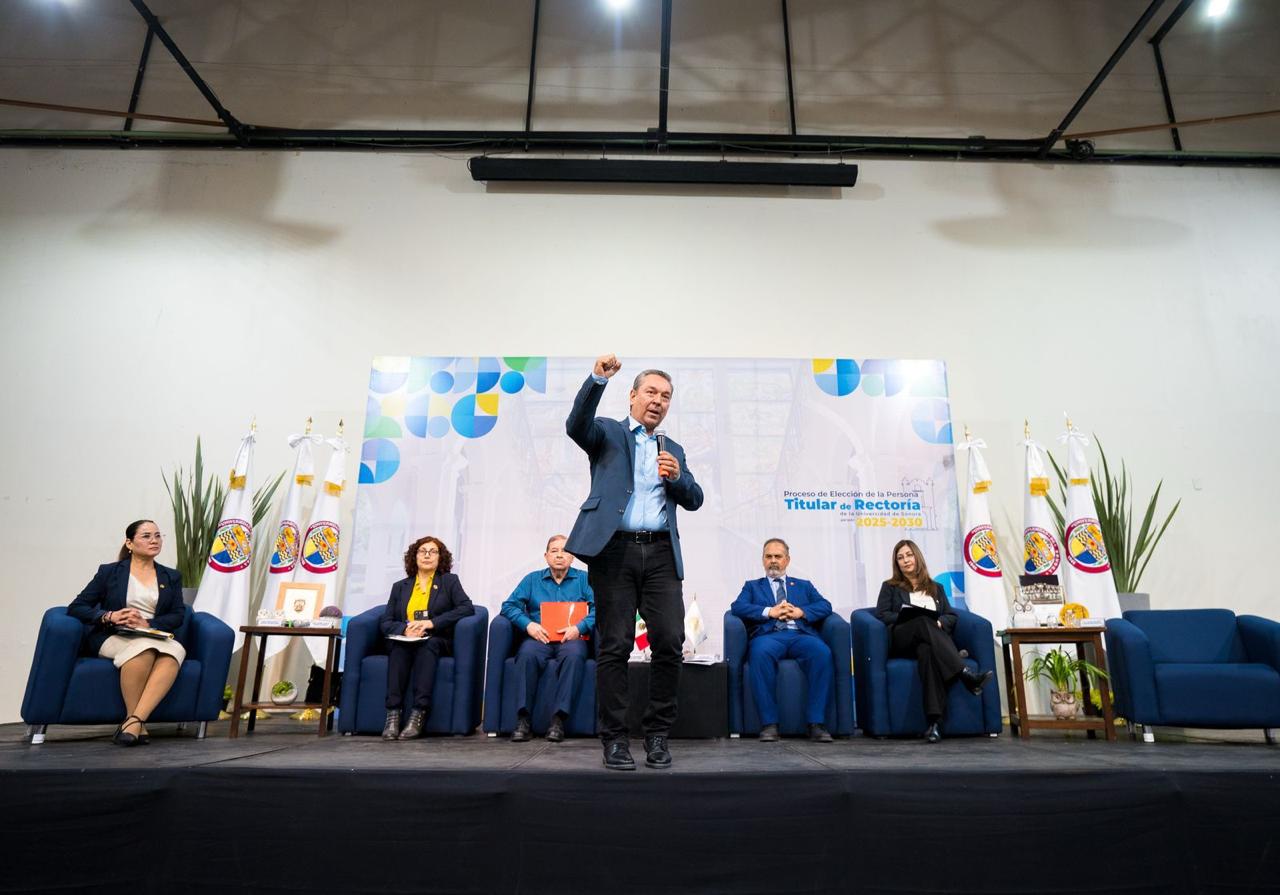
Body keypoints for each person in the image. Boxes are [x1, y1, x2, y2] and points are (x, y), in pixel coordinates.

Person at [566, 354, 704, 771]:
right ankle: (615, 739)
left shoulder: (673, 448)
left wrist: (677, 477)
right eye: (651, 392)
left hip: (661, 553)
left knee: (669, 642)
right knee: (615, 644)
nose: (658, 401)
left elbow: (694, 499)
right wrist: (597, 379)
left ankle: (657, 734)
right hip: (615, 551)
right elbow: (576, 425)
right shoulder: (607, 432)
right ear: (632, 396)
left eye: (666, 396)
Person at [67, 520, 187, 746]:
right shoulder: (109, 572)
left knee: (174, 653)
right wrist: (109, 616)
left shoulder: (171, 576)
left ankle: (133, 722)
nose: (154, 540)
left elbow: (178, 615)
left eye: (158, 535)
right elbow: (77, 607)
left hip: (153, 633)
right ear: (129, 543)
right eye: (146, 536)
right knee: (144, 651)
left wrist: (147, 623)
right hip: (115, 635)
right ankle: (136, 723)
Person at [875, 539, 992, 742]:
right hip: (903, 638)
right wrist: (907, 616)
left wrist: (939, 623)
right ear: (897, 563)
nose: (905, 560)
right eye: (900, 558)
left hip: (929, 640)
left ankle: (934, 724)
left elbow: (950, 615)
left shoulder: (935, 588)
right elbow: (883, 614)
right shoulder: (890, 587)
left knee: (928, 652)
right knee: (921, 619)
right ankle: (964, 672)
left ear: (917, 557)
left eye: (909, 555)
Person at [729, 538, 835, 743]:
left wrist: (800, 612)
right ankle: (769, 724)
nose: (773, 561)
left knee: (822, 653)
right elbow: (738, 607)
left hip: (800, 635)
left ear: (787, 560)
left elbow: (825, 606)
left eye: (778, 556)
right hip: (768, 636)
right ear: (763, 560)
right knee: (759, 653)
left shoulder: (804, 585)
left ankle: (816, 723)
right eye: (768, 556)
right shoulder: (752, 587)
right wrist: (770, 611)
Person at [500, 535, 596, 743]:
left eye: (565, 551)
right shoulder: (532, 580)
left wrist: (579, 628)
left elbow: (600, 608)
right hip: (539, 639)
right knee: (526, 654)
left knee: (574, 656)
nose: (559, 555)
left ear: (572, 557)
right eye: (554, 551)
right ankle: (523, 719)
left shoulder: (584, 579)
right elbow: (508, 606)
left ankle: (558, 720)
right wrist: (528, 625)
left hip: (571, 639)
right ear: (546, 556)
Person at [379, 536, 474, 741]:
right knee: (398, 647)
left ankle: (418, 713)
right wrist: (405, 630)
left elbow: (467, 608)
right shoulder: (400, 586)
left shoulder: (449, 581)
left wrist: (432, 623)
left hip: (435, 638)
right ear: (414, 557)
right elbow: (386, 621)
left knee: (427, 645)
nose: (427, 555)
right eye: (423, 551)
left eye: (433, 551)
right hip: (406, 638)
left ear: (441, 558)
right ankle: (393, 714)